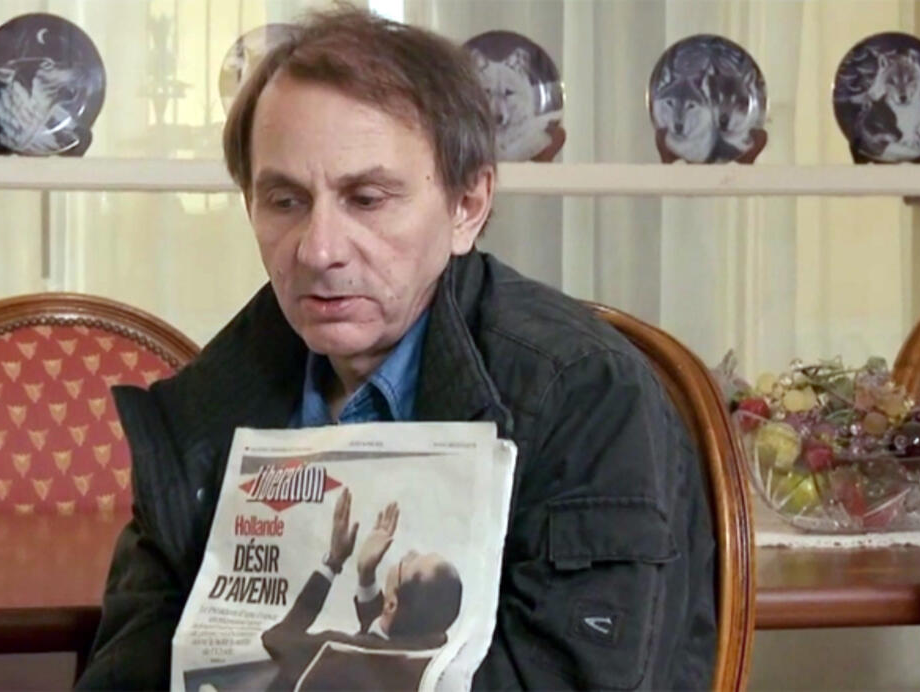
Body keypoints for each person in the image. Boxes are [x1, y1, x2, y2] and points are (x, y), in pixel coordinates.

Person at [77, 6, 716, 689]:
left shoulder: (585, 397)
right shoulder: (199, 412)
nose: (319, 250)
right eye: (286, 201)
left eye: (367, 199)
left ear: (468, 206)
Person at [260, 490, 461, 690]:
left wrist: (333, 561)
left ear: (392, 605)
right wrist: (367, 575)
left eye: (410, 562)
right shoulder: (433, 646)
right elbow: (384, 642)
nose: (410, 552)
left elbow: (277, 639)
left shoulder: (334, 651)